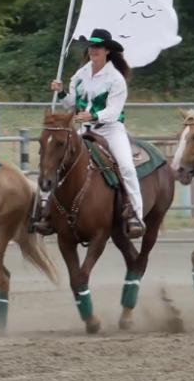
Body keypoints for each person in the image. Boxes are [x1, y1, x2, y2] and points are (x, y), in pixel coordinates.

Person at [51, 27, 145, 239]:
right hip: (84, 129)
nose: (93, 50)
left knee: (127, 167)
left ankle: (136, 215)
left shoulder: (116, 79)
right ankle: (48, 212)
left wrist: (92, 116)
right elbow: (71, 102)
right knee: (56, 159)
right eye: (92, 46)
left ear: (107, 51)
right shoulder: (81, 74)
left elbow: (113, 112)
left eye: (98, 47)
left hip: (110, 130)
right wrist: (62, 91)